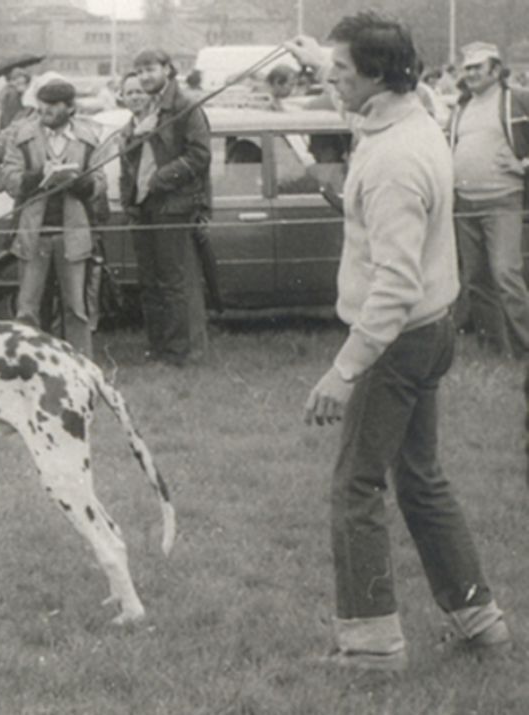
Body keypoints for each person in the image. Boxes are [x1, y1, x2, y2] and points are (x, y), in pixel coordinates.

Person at [302, 12, 510, 671]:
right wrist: (312, 55)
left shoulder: (394, 160)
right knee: (420, 479)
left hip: (395, 340)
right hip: (431, 329)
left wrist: (344, 369)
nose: (331, 79)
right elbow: (359, 95)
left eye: (340, 70)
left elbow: (394, 284)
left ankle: (370, 646)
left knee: (354, 487)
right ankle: (480, 622)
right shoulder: (411, 112)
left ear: (375, 76)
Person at [119, 48, 211, 367]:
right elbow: (129, 162)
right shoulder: (145, 107)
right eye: (139, 71)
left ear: (168, 70)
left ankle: (179, 353)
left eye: (150, 69)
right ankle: (157, 348)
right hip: (142, 206)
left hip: (172, 205)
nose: (144, 77)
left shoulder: (185, 106)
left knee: (173, 282)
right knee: (150, 282)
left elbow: (200, 155)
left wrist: (161, 178)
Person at [1, 78, 106, 357]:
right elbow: (9, 179)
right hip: (33, 234)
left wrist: (77, 181)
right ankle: (27, 363)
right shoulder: (22, 136)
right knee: (27, 309)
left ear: (70, 108)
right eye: (42, 103)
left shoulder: (88, 139)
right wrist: (38, 176)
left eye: (53, 104)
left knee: (76, 308)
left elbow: (99, 183)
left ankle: (81, 364)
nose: (44, 109)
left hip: (74, 235)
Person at [448, 41, 529, 357]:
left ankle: (525, 348)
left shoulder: (517, 100)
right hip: (465, 203)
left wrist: (524, 165)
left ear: (496, 71)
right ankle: (495, 349)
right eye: (466, 68)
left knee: (506, 274)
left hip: (502, 201)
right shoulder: (461, 106)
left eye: (477, 67)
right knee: (476, 279)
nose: (470, 74)